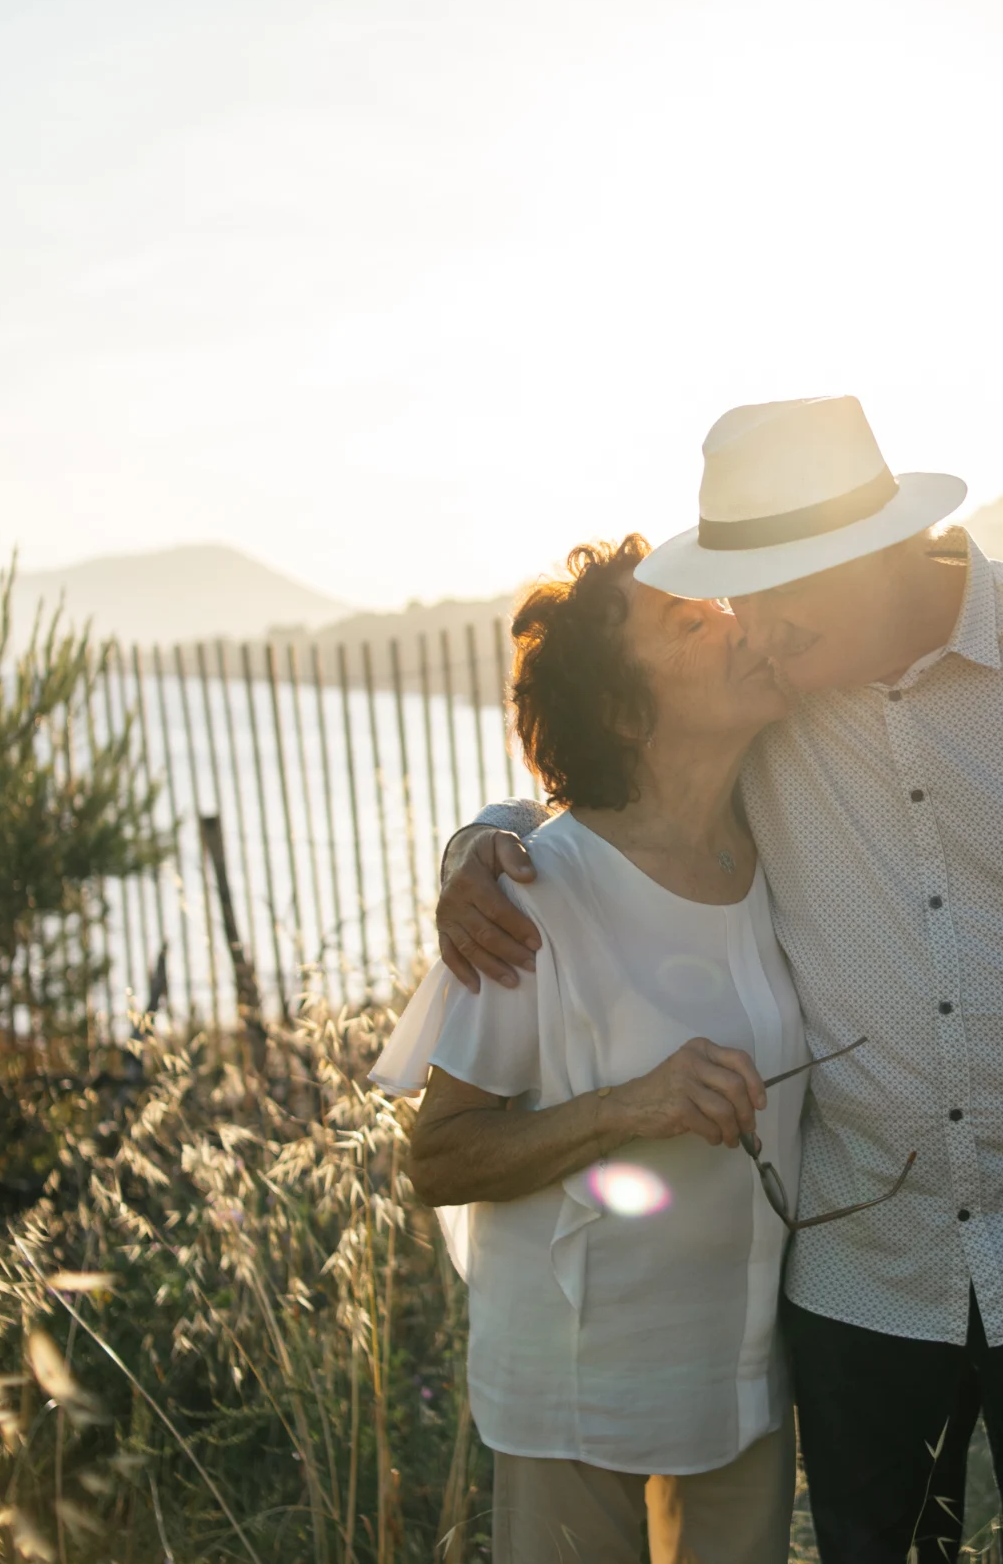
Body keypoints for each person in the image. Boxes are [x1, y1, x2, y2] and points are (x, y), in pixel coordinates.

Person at [434, 396, 1003, 1563]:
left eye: (784, 588)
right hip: (858, 1279)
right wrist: (485, 841)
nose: (757, 627)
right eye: (743, 592)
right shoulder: (772, 707)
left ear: (885, 547)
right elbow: (622, 794)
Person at [374, 534, 908, 1564]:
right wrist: (631, 1106)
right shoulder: (536, 896)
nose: (734, 620)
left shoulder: (779, 837)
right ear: (624, 711)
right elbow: (437, 1158)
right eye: (688, 620)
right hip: (578, 1383)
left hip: (742, 1369)